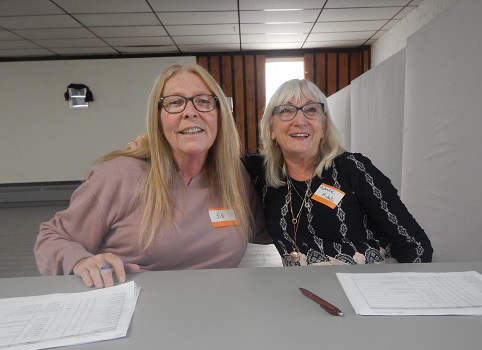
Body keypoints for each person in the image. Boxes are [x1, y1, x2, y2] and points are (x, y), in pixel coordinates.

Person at [35, 63, 268, 288]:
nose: (190, 112)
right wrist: (81, 261)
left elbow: (268, 229)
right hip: (138, 312)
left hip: (219, 310)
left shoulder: (234, 175)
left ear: (219, 116)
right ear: (157, 119)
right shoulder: (120, 175)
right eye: (175, 103)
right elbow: (51, 238)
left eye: (203, 101)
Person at [241, 78, 433, 266]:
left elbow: (415, 245)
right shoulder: (260, 173)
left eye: (311, 110)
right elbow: (216, 159)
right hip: (304, 289)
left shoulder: (353, 168)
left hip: (367, 287)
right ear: (271, 129)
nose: (300, 120)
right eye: (286, 110)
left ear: (324, 127)